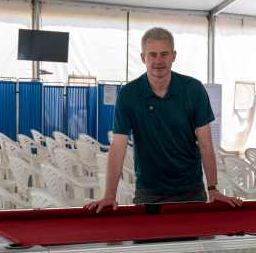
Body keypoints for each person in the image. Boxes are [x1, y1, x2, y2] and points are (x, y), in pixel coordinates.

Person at [86, 27, 241, 210]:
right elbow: (118, 146)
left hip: (191, 190)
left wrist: (213, 188)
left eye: (164, 54)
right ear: (143, 57)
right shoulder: (129, 94)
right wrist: (109, 195)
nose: (158, 61)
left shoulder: (193, 89)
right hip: (148, 192)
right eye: (152, 55)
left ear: (173, 56)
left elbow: (206, 143)